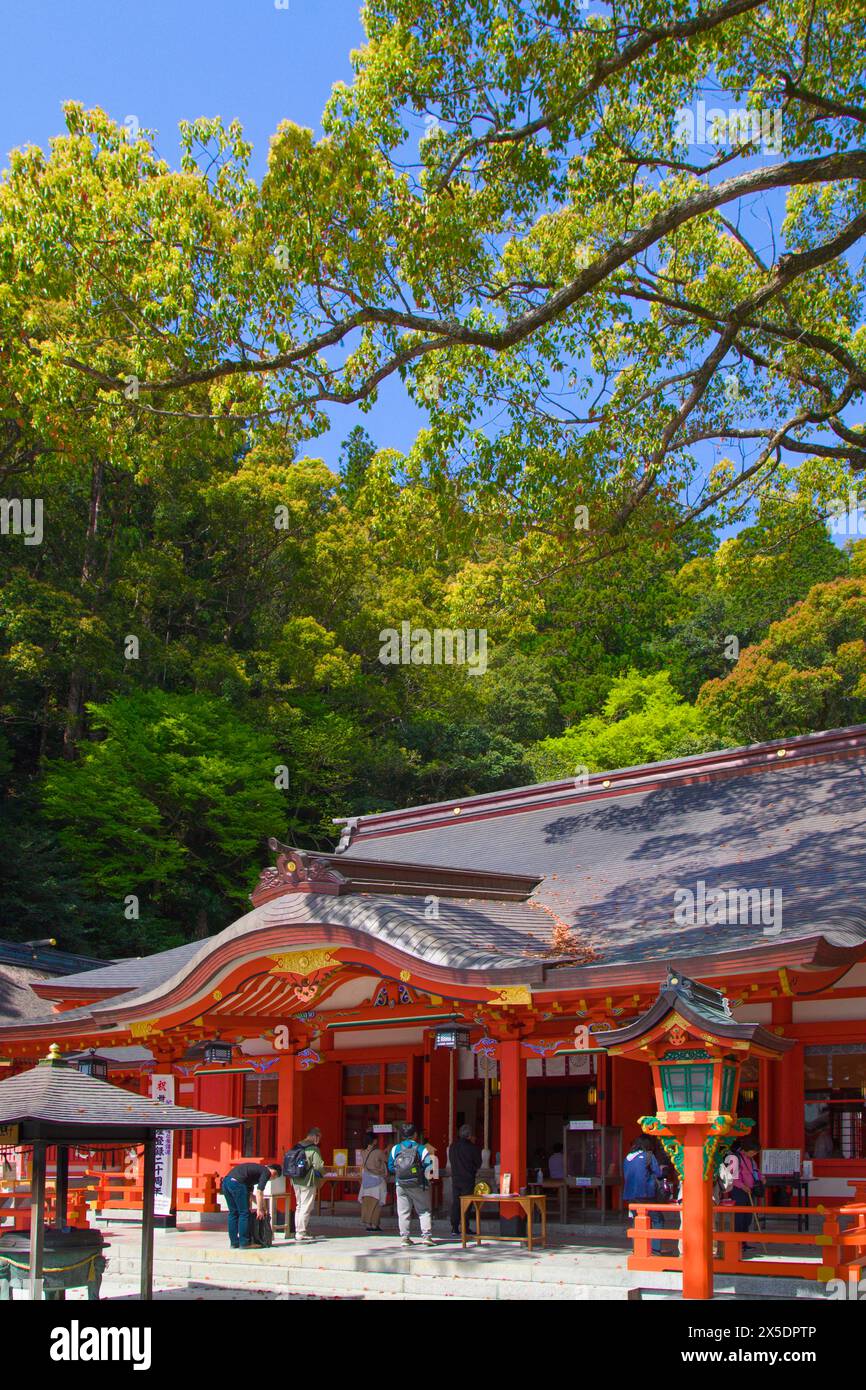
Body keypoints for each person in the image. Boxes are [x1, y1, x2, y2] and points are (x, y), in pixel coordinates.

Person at [388, 1121, 435, 1247]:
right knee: (424, 1210)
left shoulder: (395, 1149)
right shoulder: (421, 1148)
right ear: (415, 1135)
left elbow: (391, 1167)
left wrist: (401, 1174)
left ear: (402, 1135)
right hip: (418, 1183)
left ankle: (405, 1237)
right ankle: (426, 1236)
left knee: (403, 1212)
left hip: (400, 1184)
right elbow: (429, 1165)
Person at [221, 1160, 281, 1250]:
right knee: (244, 1213)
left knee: (233, 1213)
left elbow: (251, 1195)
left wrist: (263, 1207)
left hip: (226, 1182)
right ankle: (244, 1243)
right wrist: (259, 1210)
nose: (271, 1179)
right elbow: (259, 1191)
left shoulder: (254, 1174)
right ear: (274, 1173)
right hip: (237, 1183)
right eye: (274, 1178)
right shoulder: (266, 1172)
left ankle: (234, 1243)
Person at [622, 1136, 665, 1255]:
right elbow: (658, 1173)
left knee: (636, 1221)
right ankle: (655, 1249)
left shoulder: (627, 1158)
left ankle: (638, 1249)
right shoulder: (649, 1156)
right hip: (646, 1194)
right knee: (657, 1219)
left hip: (631, 1195)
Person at [286, 1126, 325, 1243]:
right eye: (319, 1137)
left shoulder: (297, 1146)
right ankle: (301, 1232)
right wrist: (323, 1174)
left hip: (295, 1180)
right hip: (308, 1180)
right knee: (306, 1206)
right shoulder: (313, 1149)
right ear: (315, 1136)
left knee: (299, 1205)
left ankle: (298, 1231)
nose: (319, 1140)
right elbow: (318, 1166)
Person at [448, 1123, 482, 1237]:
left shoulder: (453, 1146)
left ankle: (454, 1227)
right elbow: (478, 1163)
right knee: (467, 1203)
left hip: (456, 1177)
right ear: (469, 1135)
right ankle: (465, 1226)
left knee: (456, 1202)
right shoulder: (472, 1148)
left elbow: (451, 1160)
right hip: (467, 1178)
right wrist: (472, 1169)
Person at [358, 1131, 388, 1233]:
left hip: (366, 1180)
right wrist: (387, 1150)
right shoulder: (379, 1152)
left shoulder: (362, 1152)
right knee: (376, 1203)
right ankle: (375, 1224)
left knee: (367, 1203)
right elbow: (386, 1159)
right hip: (377, 1180)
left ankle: (368, 1224)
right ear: (374, 1141)